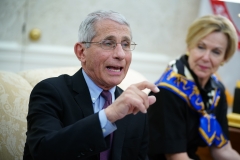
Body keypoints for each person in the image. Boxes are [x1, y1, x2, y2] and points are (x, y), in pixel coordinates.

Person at [23, 10, 159, 160]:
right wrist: (107, 116)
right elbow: (43, 152)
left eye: (126, 44)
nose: (120, 54)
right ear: (81, 52)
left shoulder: (135, 109)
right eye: (108, 43)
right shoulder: (50, 92)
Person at [147, 15, 240, 160]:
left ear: (225, 57)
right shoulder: (167, 91)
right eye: (201, 47)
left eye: (216, 52)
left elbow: (222, 150)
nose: (206, 57)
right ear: (189, 46)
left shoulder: (217, 90)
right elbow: (176, 158)